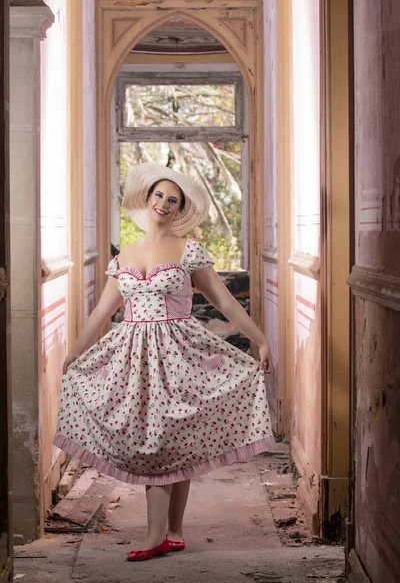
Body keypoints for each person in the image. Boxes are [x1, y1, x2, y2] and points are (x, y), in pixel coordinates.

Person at [54, 162, 276, 562]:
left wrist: (260, 339)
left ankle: (159, 532)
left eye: (172, 200)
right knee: (155, 438)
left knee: (169, 438)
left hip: (178, 352)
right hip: (133, 355)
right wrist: (74, 352)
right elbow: (103, 312)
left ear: (179, 210)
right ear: (147, 198)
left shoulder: (188, 251)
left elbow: (223, 301)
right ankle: (171, 530)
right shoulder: (126, 255)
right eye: (159, 195)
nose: (163, 203)